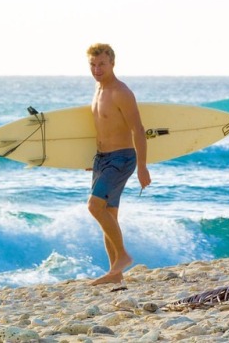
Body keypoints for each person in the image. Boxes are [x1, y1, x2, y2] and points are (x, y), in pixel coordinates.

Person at [86, 43, 151, 285]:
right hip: (102, 159)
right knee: (109, 213)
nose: (97, 69)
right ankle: (115, 273)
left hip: (122, 158)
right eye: (93, 64)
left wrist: (142, 167)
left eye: (101, 63)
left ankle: (123, 256)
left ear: (112, 63)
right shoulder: (98, 89)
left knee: (94, 207)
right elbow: (103, 128)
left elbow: (138, 129)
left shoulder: (120, 92)